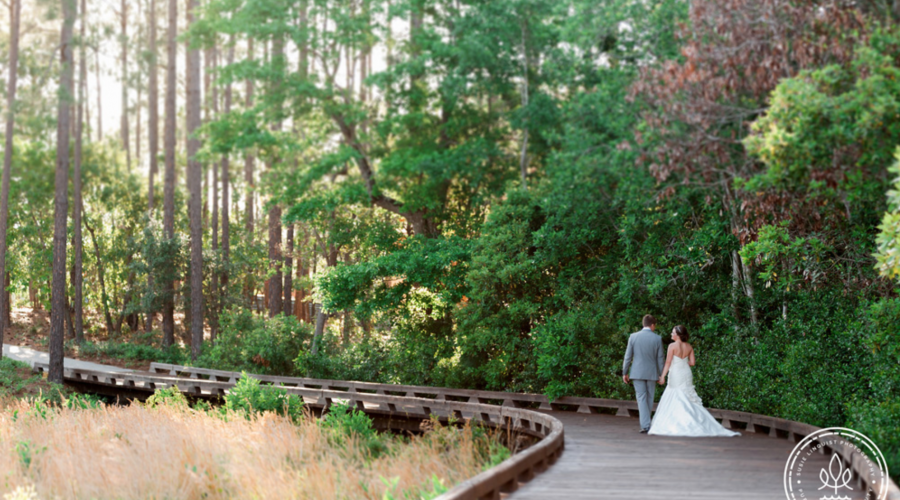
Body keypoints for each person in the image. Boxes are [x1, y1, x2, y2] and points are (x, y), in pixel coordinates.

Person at [648, 325, 739, 437]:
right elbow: (692, 363)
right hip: (686, 373)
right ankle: (696, 421)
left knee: (676, 395)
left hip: (676, 373)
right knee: (688, 396)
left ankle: (679, 423)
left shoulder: (672, 346)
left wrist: (662, 376)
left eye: (673, 333)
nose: (671, 334)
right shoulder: (689, 346)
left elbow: (667, 363)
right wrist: (683, 362)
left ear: (677, 335)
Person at [622, 314, 665, 433]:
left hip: (637, 372)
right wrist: (662, 374)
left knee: (641, 398)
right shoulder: (657, 338)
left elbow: (628, 356)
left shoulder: (633, 336)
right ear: (652, 325)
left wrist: (625, 372)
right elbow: (660, 359)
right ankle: (647, 424)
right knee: (650, 398)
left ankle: (645, 425)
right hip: (652, 373)